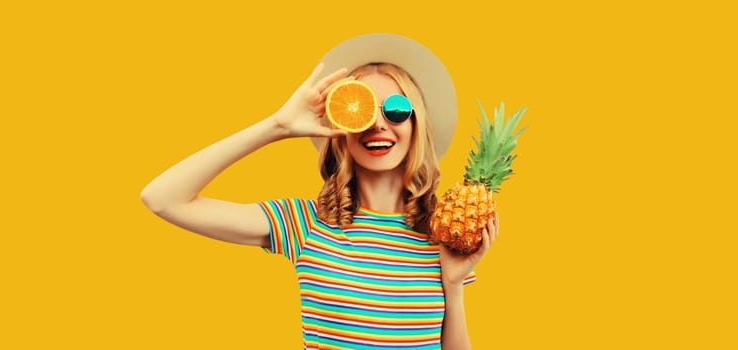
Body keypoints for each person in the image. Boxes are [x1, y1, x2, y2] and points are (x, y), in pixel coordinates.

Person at [140, 33, 499, 350]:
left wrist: (452, 285)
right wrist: (277, 126)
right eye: (362, 110)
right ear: (341, 126)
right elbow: (163, 198)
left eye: (396, 109)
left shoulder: (442, 233)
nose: (378, 124)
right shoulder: (304, 223)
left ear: (415, 123)